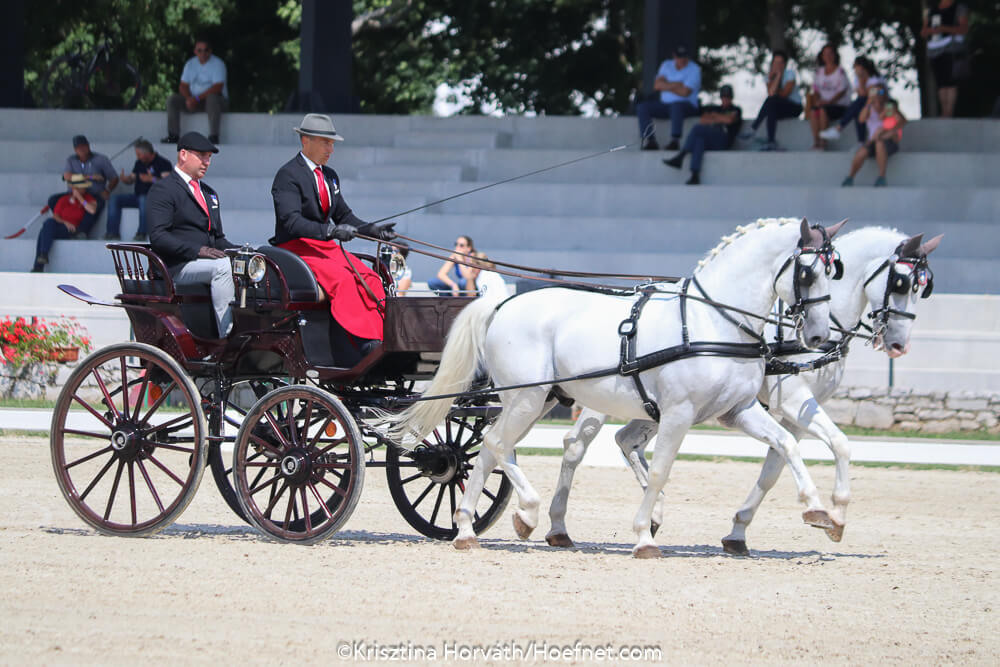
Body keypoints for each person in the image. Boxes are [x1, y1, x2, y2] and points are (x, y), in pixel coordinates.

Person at [270, 113, 396, 354]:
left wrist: (372, 230)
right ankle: (357, 343)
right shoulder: (288, 175)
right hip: (296, 248)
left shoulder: (329, 176)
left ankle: (381, 335)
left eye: (332, 144)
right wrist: (330, 230)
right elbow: (291, 221)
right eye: (326, 142)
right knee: (344, 280)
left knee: (371, 277)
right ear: (305, 141)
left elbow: (345, 216)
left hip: (324, 246)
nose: (331, 149)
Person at [147, 132, 238, 337]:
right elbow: (159, 237)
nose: (207, 162)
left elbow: (218, 237)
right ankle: (228, 335)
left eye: (209, 157)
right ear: (184, 155)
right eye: (202, 156)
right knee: (223, 268)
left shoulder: (209, 193)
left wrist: (240, 252)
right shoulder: (163, 189)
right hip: (175, 266)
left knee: (245, 264)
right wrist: (198, 250)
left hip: (203, 263)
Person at [662, 84, 742, 185]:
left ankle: (681, 156)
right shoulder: (716, 108)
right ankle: (695, 175)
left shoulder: (736, 109)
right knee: (699, 140)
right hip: (711, 139)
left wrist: (714, 117)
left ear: (731, 97)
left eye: (728, 97)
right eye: (724, 96)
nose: (725, 99)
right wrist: (720, 118)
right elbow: (703, 120)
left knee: (697, 128)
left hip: (724, 140)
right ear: (721, 97)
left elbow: (729, 120)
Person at [49, 135, 117, 238]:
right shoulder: (71, 160)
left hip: (94, 193)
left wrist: (108, 190)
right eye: (78, 148)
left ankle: (82, 232)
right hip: (74, 193)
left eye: (83, 146)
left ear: (88, 146)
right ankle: (64, 224)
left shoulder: (101, 159)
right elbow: (66, 176)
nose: (81, 149)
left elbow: (114, 178)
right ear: (75, 149)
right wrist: (90, 176)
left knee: (96, 205)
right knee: (53, 200)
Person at [162, 38, 228, 145]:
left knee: (212, 98)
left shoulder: (218, 64)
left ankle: (214, 136)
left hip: (215, 102)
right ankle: (173, 135)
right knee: (172, 99)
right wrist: (189, 99)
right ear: (195, 51)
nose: (203, 53)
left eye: (206, 50)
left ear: (210, 51)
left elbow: (218, 87)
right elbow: (183, 85)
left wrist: (196, 99)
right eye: (199, 50)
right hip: (193, 101)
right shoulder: (190, 64)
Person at [105, 139, 172, 241]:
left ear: (147, 153)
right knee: (114, 198)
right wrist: (125, 179)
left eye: (139, 154)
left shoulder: (163, 163)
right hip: (137, 196)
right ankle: (112, 233)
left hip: (155, 199)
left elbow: (168, 184)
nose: (137, 156)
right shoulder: (139, 163)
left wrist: (152, 179)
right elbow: (132, 179)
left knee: (143, 199)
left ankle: (142, 233)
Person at [636, 45, 701, 151]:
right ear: (674, 57)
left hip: (687, 106)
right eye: (680, 57)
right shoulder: (666, 65)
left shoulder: (695, 69)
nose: (682, 60)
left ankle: (675, 141)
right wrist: (678, 84)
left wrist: (666, 85)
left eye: (685, 57)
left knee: (676, 105)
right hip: (666, 106)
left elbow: (685, 92)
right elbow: (657, 86)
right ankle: (650, 141)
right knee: (643, 107)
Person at [840, 85, 907, 187]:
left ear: (885, 95)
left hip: (888, 141)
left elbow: (901, 121)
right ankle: (850, 177)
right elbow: (861, 119)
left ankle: (882, 177)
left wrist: (886, 132)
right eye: (875, 92)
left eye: (880, 92)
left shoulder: (889, 106)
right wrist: (868, 103)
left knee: (879, 142)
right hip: (873, 141)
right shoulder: (869, 108)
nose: (878, 95)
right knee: (862, 151)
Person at [31, 175, 97, 272]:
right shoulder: (64, 199)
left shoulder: (89, 199)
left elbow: (92, 210)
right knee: (47, 224)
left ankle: (39, 264)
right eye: (80, 188)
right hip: (62, 226)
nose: (83, 189)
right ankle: (43, 256)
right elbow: (56, 216)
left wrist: (79, 198)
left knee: (43, 232)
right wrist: (65, 223)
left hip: (75, 230)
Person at [739, 50, 803, 151]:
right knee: (771, 106)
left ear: (785, 64)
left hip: (795, 108)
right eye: (776, 62)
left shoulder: (790, 74)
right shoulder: (768, 77)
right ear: (772, 63)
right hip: (779, 108)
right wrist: (776, 78)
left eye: (781, 62)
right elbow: (771, 93)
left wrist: (778, 76)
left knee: (771, 101)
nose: (778, 65)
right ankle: (771, 141)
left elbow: (784, 94)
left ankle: (754, 128)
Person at [921, 0, 969, 118]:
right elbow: (923, 32)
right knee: (941, 82)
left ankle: (949, 111)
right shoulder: (932, 10)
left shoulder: (959, 8)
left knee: (950, 81)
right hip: (934, 50)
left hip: (951, 48)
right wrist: (931, 31)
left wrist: (944, 29)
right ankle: (944, 111)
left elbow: (963, 29)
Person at [820, 56, 883, 144]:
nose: (855, 70)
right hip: (867, 104)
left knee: (860, 102)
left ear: (862, 67)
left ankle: (839, 128)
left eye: (856, 67)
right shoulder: (858, 79)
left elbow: (871, 94)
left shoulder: (875, 78)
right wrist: (861, 79)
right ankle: (860, 142)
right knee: (858, 108)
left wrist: (862, 79)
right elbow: (862, 93)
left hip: (881, 102)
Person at [807, 44, 851, 150]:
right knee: (813, 111)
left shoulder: (840, 72)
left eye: (830, 53)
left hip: (839, 105)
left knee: (822, 111)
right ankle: (816, 141)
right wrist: (818, 101)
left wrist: (829, 102)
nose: (828, 56)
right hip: (824, 104)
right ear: (822, 56)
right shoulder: (819, 72)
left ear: (835, 55)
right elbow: (816, 90)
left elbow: (842, 91)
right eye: (825, 54)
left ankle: (823, 142)